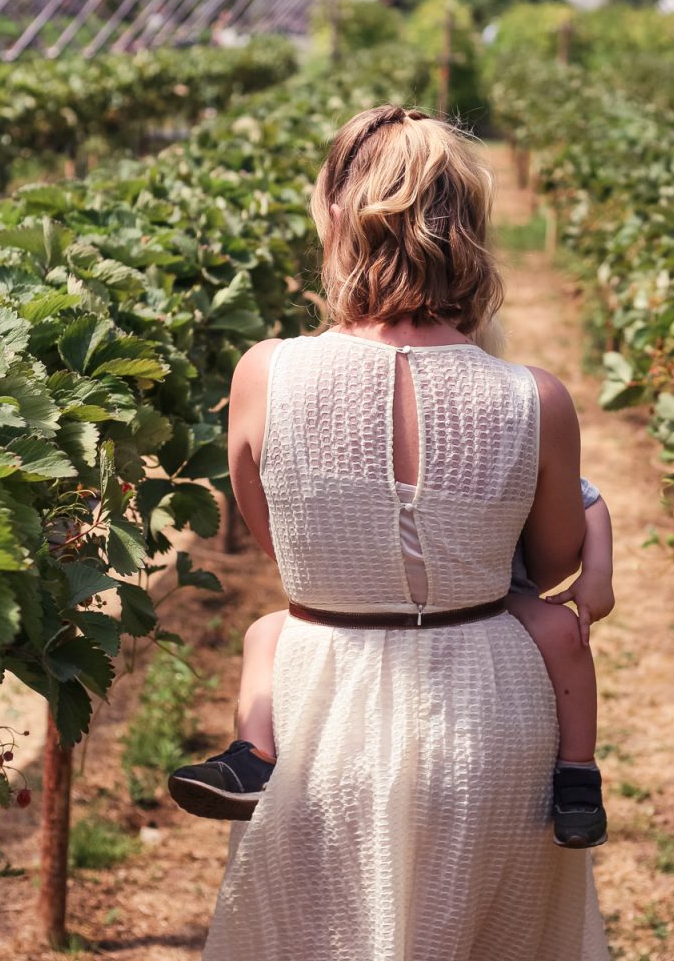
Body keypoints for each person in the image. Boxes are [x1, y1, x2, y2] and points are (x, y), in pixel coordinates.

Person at [197, 105, 612, 959]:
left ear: (340, 219)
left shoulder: (265, 375)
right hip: (491, 709)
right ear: (468, 231)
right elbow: (556, 562)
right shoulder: (534, 399)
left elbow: (280, 543)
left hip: (320, 700)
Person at [169, 474, 613, 847]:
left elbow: (589, 502)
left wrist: (597, 573)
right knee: (263, 632)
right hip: (368, 599)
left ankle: (578, 776)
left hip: (491, 595)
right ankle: (252, 759)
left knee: (562, 632)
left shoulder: (492, 432)